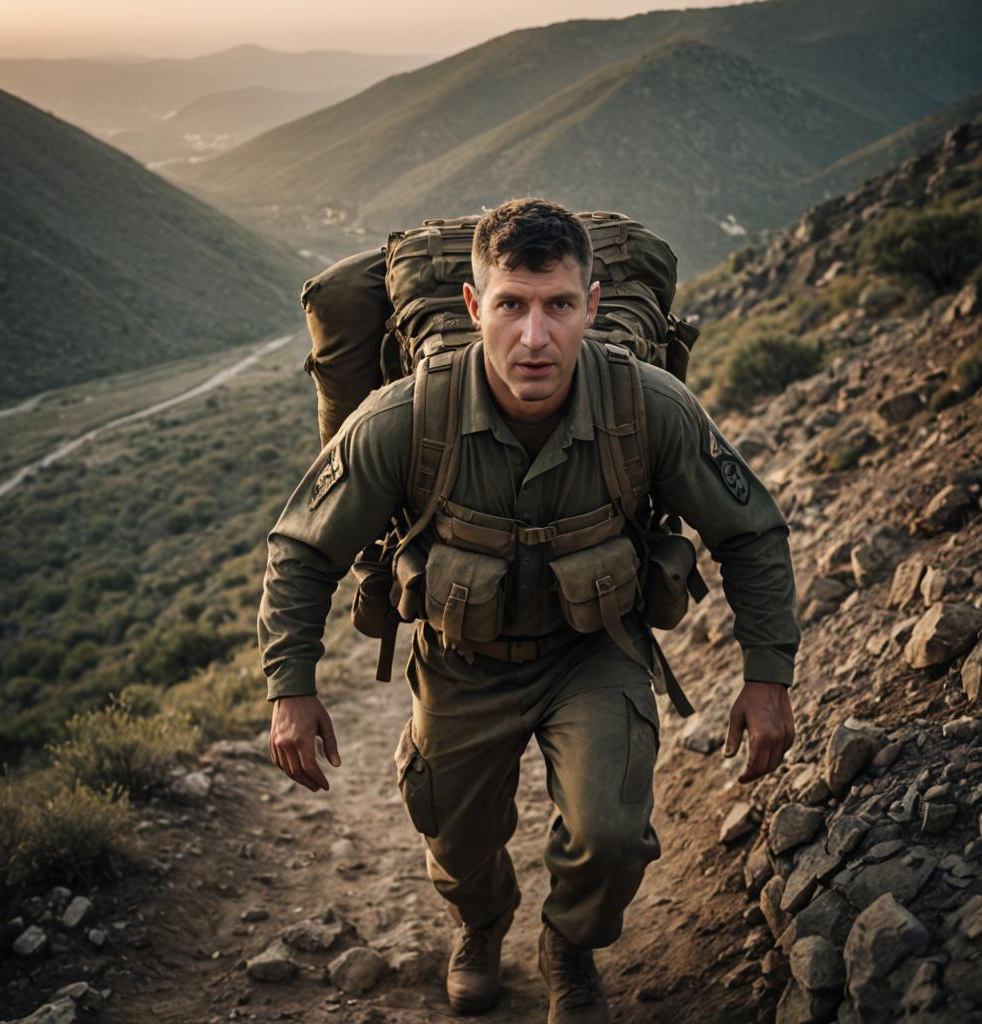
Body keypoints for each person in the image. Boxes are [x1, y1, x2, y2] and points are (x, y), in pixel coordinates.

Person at [258, 198, 799, 1023]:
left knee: (611, 833)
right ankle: (479, 925)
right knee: (454, 834)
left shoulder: (647, 408)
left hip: (595, 651)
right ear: (475, 308)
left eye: (558, 306)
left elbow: (750, 530)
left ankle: (569, 947)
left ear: (592, 304)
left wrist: (768, 675)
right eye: (511, 305)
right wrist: (289, 688)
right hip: (461, 660)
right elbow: (303, 548)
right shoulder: (406, 421)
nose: (534, 338)